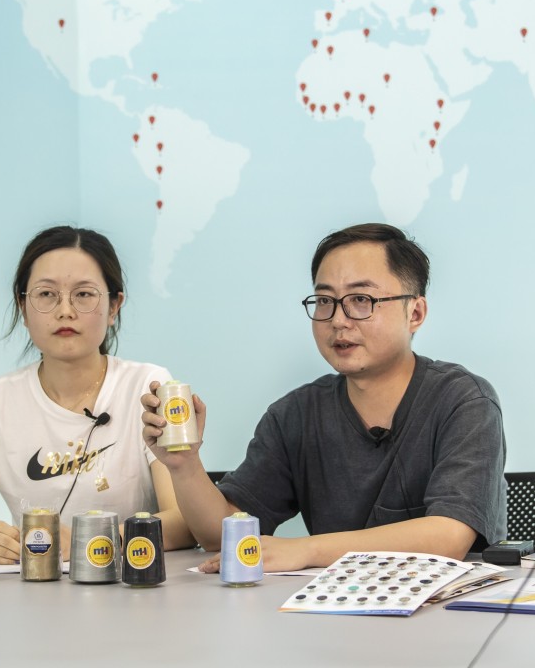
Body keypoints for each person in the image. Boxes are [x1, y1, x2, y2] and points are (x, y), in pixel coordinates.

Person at [141, 223, 506, 572]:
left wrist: (305, 549)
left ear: (415, 313)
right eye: (325, 300)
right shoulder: (296, 415)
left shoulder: (464, 400)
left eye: (361, 300)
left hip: (448, 606)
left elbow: (448, 535)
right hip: (331, 605)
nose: (338, 320)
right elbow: (220, 535)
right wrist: (185, 465)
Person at [0, 225, 193, 562]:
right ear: (23, 307)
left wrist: (90, 541)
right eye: (46, 294)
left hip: (127, 581)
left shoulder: (149, 385)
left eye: (84, 294)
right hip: (30, 584)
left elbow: (184, 522)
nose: (65, 311)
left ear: (114, 306)